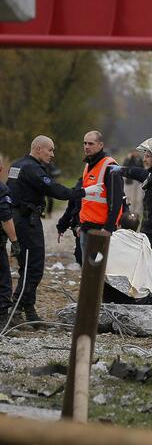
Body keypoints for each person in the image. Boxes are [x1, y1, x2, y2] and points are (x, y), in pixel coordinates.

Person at [7, 136, 101, 325]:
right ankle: (16, 310)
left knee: (28, 265)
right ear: (38, 149)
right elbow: (56, 191)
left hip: (20, 219)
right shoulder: (33, 168)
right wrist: (85, 192)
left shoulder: (17, 164)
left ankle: (29, 310)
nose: (52, 154)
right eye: (50, 150)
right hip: (27, 221)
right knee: (33, 267)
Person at [113, 137, 152, 306]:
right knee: (149, 271)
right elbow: (139, 173)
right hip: (149, 233)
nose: (144, 159)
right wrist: (121, 170)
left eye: (148, 156)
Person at [77, 131, 124, 255]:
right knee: (86, 265)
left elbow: (116, 202)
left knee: (98, 265)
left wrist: (108, 229)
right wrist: (80, 224)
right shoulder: (88, 165)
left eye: (91, 143)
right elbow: (85, 199)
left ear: (100, 145)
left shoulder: (110, 167)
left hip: (101, 229)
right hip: (86, 227)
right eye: (85, 143)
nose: (86, 147)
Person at [103, 210, 152, 304]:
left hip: (112, 291)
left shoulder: (109, 240)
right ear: (137, 228)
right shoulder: (144, 242)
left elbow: (97, 265)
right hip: (137, 294)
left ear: (118, 225)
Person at [0, 157, 22, 328]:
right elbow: (6, 218)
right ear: (1, 168)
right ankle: (2, 320)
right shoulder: (2, 190)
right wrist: (14, 241)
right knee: (3, 281)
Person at [121, 149, 144, 219]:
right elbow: (124, 166)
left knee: (139, 198)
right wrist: (128, 158)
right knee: (130, 198)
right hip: (130, 181)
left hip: (138, 181)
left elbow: (142, 168)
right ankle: (130, 212)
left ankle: (137, 213)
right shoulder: (128, 160)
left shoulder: (139, 160)